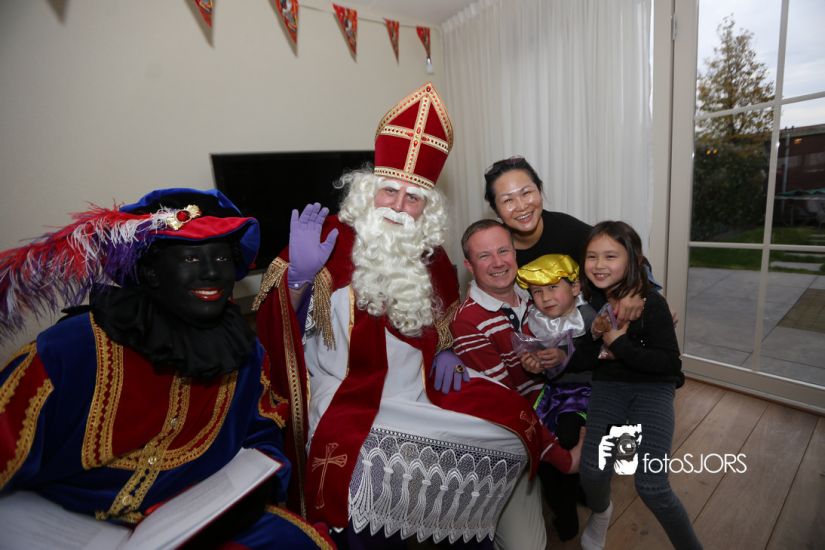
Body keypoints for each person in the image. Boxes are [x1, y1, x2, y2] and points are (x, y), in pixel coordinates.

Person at [253, 83, 573, 549]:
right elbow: (274, 330)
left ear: (427, 207)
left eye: (414, 197)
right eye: (390, 191)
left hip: (417, 386)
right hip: (342, 387)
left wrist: (445, 350)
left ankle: (466, 530)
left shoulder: (432, 255)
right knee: (358, 472)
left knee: (505, 422)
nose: (400, 207)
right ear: (369, 191)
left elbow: (443, 321)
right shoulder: (324, 239)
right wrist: (298, 280)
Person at [0, 188, 332, 548]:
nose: (211, 272)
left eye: (222, 258)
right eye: (191, 258)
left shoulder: (243, 350)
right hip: (60, 526)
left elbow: (264, 433)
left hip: (195, 522)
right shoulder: (71, 348)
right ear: (151, 272)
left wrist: (250, 496)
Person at [451, 220, 584, 547]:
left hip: (560, 406)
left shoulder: (537, 293)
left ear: (515, 253)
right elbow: (509, 407)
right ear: (469, 265)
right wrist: (563, 459)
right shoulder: (469, 322)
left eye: (503, 251)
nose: (498, 262)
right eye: (484, 256)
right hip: (515, 437)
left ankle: (573, 489)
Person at [577, 221, 702, 550]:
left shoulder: (652, 304)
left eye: (610, 256)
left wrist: (618, 343)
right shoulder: (589, 301)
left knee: (652, 486)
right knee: (592, 472)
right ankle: (601, 512)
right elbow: (586, 359)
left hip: (653, 388)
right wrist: (594, 335)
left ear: (633, 261)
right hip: (609, 386)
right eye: (592, 256)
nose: (599, 265)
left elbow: (670, 366)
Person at [483, 156, 645, 324]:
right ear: (496, 210)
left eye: (526, 193)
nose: (521, 206)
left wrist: (634, 290)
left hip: (591, 325)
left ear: (539, 191)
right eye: (508, 200)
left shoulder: (567, 229)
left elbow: (630, 257)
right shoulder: (495, 248)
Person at [515, 253, 600, 540]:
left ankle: (578, 491)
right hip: (552, 393)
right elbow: (538, 362)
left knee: (569, 437)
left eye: (553, 287)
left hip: (586, 392)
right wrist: (533, 363)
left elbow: (600, 355)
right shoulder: (535, 320)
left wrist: (566, 356)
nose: (545, 298)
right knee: (542, 444)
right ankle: (563, 506)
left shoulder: (589, 318)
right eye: (537, 291)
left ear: (575, 287)